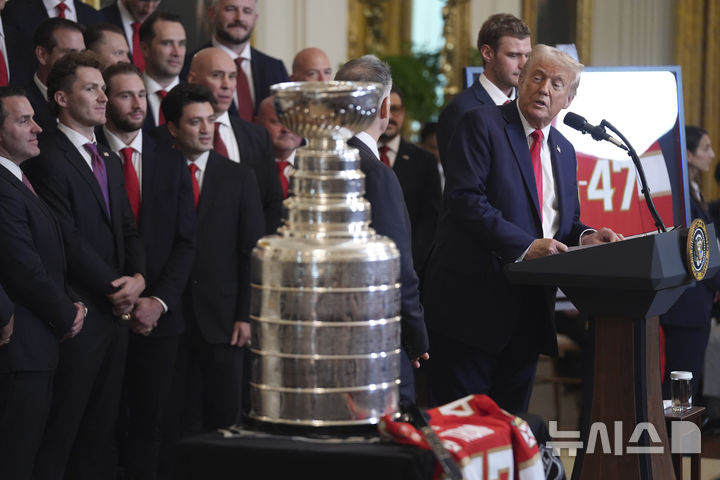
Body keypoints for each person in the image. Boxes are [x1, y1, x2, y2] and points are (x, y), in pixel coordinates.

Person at [422, 44, 622, 414]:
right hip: (470, 313)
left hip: (527, 318)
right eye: (537, 78)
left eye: (556, 84)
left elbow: (560, 223)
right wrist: (527, 246)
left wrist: (586, 237)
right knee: (463, 432)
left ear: (568, 99)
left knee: (513, 430)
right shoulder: (482, 124)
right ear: (522, 81)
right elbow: (466, 200)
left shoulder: (563, 150)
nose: (544, 89)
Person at [22, 51, 146, 480]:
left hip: (115, 317)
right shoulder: (46, 156)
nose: (103, 97)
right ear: (60, 98)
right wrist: (118, 288)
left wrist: (139, 279)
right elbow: (66, 238)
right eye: (91, 88)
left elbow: (128, 227)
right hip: (80, 314)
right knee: (63, 433)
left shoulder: (107, 155)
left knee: (100, 434)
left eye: (103, 89)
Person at [96, 62, 196, 480]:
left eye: (141, 94)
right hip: (102, 313)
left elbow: (186, 242)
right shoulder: (88, 155)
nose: (138, 103)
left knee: (151, 427)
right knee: (99, 428)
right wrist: (118, 295)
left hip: (159, 319)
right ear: (105, 101)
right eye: (125, 95)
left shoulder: (170, 159)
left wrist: (157, 300)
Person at [162, 82, 264, 432]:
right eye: (195, 122)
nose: (206, 129)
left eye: (210, 120)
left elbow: (251, 252)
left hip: (224, 321)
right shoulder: (158, 172)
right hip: (170, 316)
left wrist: (245, 315)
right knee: (172, 419)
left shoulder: (239, 177)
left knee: (224, 419)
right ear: (173, 128)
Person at [0, 86, 85, 480]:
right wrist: (66, 313)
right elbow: (22, 266)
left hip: (36, 348)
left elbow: (49, 259)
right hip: (19, 354)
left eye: (34, 118)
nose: (37, 128)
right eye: (24, 120)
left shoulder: (17, 179)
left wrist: (72, 301)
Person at [335, 55, 430, 403]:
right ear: (385, 107)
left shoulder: (318, 160)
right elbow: (396, 266)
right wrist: (416, 335)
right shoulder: (376, 173)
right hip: (377, 337)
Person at [164, 46, 282, 233]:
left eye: (232, 76)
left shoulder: (257, 136)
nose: (227, 85)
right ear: (193, 79)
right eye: (217, 75)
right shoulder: (163, 137)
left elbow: (271, 202)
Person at [660, 125, 720, 399]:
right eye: (706, 148)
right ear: (687, 154)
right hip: (688, 302)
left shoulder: (694, 191)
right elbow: (697, 249)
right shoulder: (681, 196)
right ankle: (674, 429)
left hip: (700, 300)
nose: (712, 155)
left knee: (687, 385)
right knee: (680, 389)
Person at [437, 13, 531, 166]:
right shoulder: (460, 111)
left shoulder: (530, 105)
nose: (523, 64)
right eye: (513, 55)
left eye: (527, 55)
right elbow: (462, 178)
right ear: (487, 53)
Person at [378, 85, 441, 276]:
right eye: (385, 109)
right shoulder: (356, 155)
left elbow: (431, 220)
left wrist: (410, 263)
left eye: (395, 109)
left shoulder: (424, 161)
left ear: (403, 113)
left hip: (411, 268)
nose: (391, 116)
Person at [201, 0, 290, 119]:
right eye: (231, 9)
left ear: (255, 18)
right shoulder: (191, 65)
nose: (239, 18)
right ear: (212, 13)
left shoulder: (276, 68)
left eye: (247, 11)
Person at [27, 18, 86, 131]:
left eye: (82, 54)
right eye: (69, 54)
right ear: (42, 55)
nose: (80, 61)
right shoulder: (21, 102)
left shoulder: (93, 100)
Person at [140, 11, 186, 130]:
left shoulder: (197, 98)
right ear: (145, 49)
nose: (177, 53)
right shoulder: (128, 95)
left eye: (181, 44)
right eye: (167, 43)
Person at [255, 95, 302, 199]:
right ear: (257, 123)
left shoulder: (316, 167)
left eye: (293, 122)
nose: (286, 129)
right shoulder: (248, 167)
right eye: (277, 122)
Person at [101, 0, 162, 70]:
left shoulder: (160, 25)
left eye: (156, 0)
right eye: (144, 0)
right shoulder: (99, 20)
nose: (148, 10)